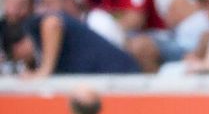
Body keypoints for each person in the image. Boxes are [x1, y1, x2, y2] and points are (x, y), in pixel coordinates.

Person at [1, 12, 140, 76]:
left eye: (14, 57)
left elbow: (52, 24)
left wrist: (44, 71)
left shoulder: (33, 27)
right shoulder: (36, 55)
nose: (19, 60)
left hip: (120, 74)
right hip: (101, 80)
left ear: (16, 47)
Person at [40, 0, 125, 48]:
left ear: (68, 1)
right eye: (42, 4)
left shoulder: (99, 22)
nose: (44, 10)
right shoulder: (52, 32)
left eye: (49, 4)